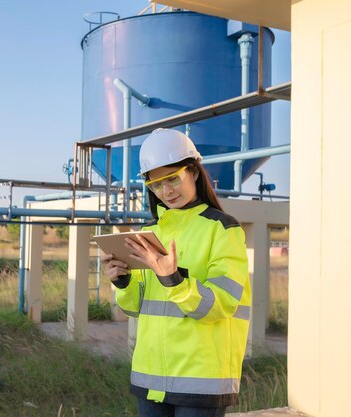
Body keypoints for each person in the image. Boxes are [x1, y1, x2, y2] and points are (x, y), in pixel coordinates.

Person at [102, 128, 251, 417]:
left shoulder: (222, 229)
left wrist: (174, 280)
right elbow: (135, 307)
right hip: (150, 375)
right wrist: (123, 282)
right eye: (156, 185)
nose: (166, 192)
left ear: (194, 172)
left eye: (173, 178)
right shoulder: (150, 232)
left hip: (201, 378)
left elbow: (223, 303)